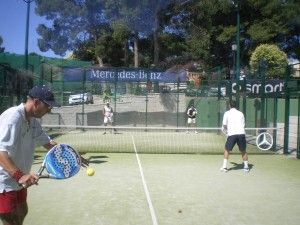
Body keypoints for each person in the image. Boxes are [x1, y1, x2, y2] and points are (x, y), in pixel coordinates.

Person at [0, 85, 88, 225]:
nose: (49, 110)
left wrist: (70, 154)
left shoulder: (32, 121)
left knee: (22, 211)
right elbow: (0, 152)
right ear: (36, 102)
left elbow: (47, 143)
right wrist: (20, 176)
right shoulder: (13, 118)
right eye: (48, 106)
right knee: (10, 220)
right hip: (4, 181)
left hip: (18, 179)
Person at [220, 100, 249, 172]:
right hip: (241, 134)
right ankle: (246, 167)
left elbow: (224, 125)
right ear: (236, 105)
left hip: (232, 134)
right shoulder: (241, 113)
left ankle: (224, 167)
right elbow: (243, 124)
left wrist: (226, 131)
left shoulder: (227, 113)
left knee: (227, 150)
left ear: (229, 105)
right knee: (243, 150)